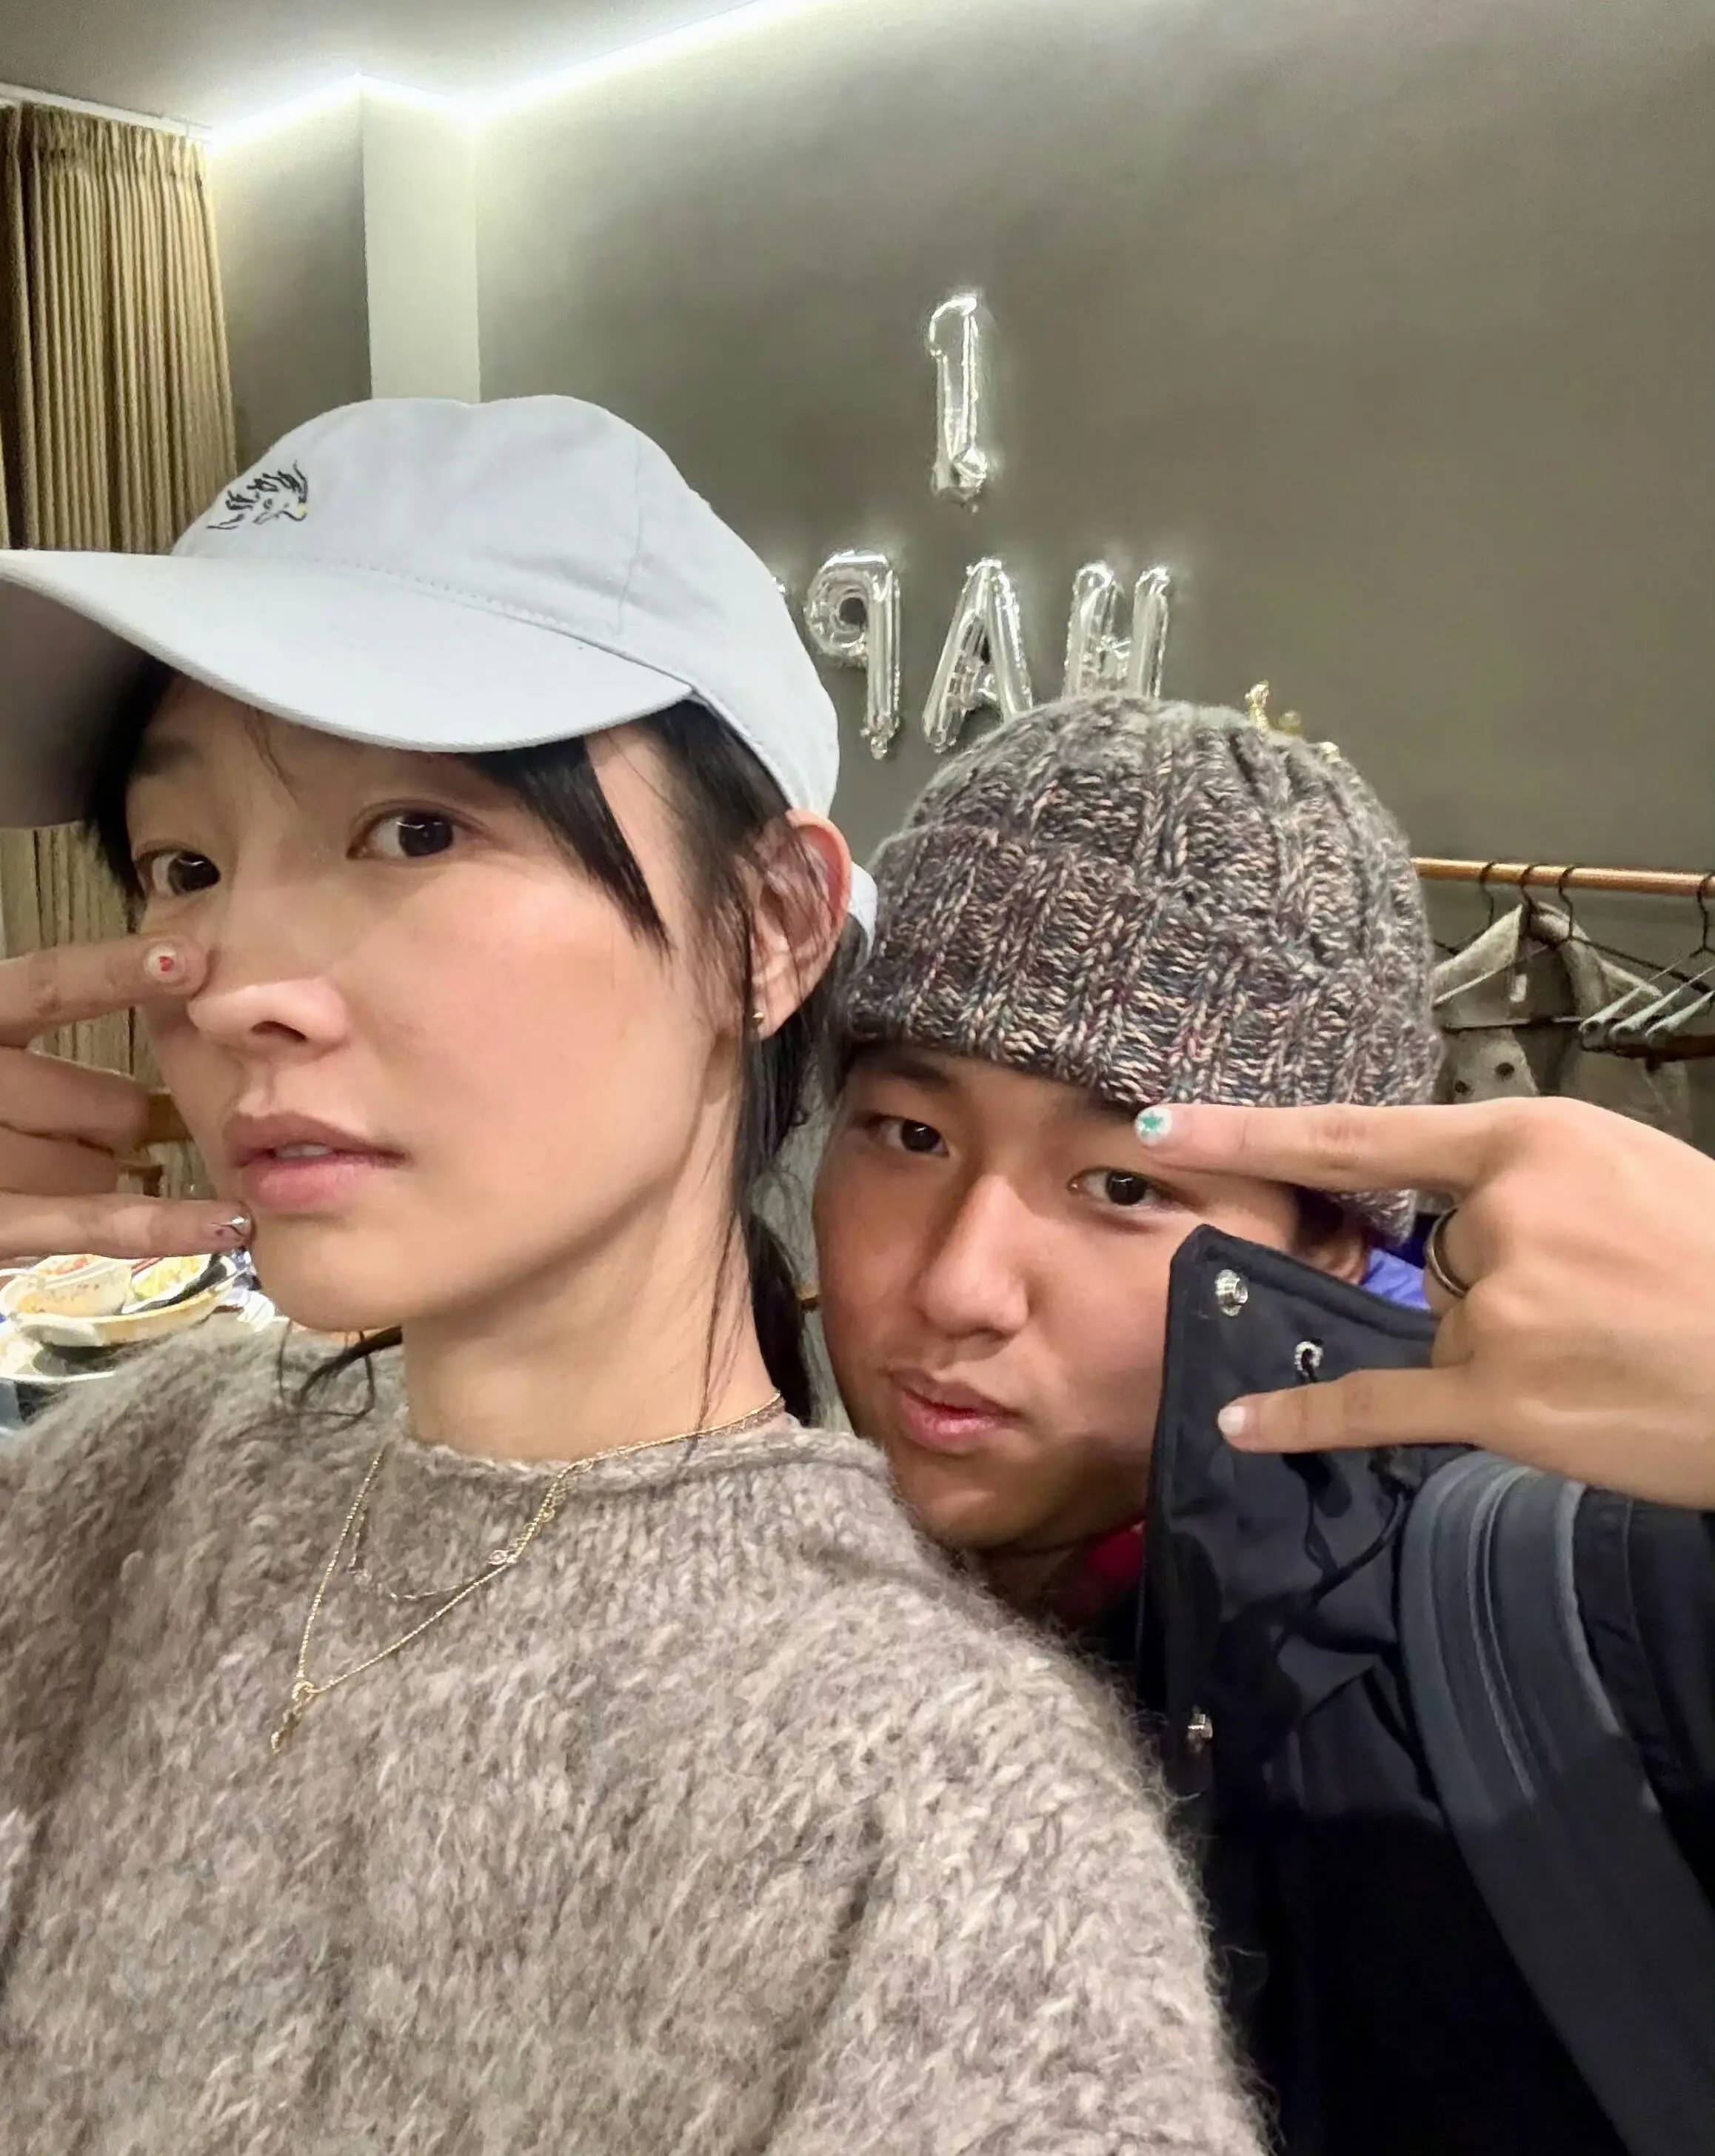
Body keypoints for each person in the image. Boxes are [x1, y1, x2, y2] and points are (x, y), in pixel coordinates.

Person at [0, 406, 1265, 2155]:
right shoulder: (133, 1480)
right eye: (187, 866)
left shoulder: (942, 1814)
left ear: (773, 928)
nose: (236, 984)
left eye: (414, 832)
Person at [813, 690, 1715, 2156]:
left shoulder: (1565, 1607)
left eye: (1123, 1186)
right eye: (911, 1135)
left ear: (1335, 1250)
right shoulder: (755, 1590)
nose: (960, 1285)